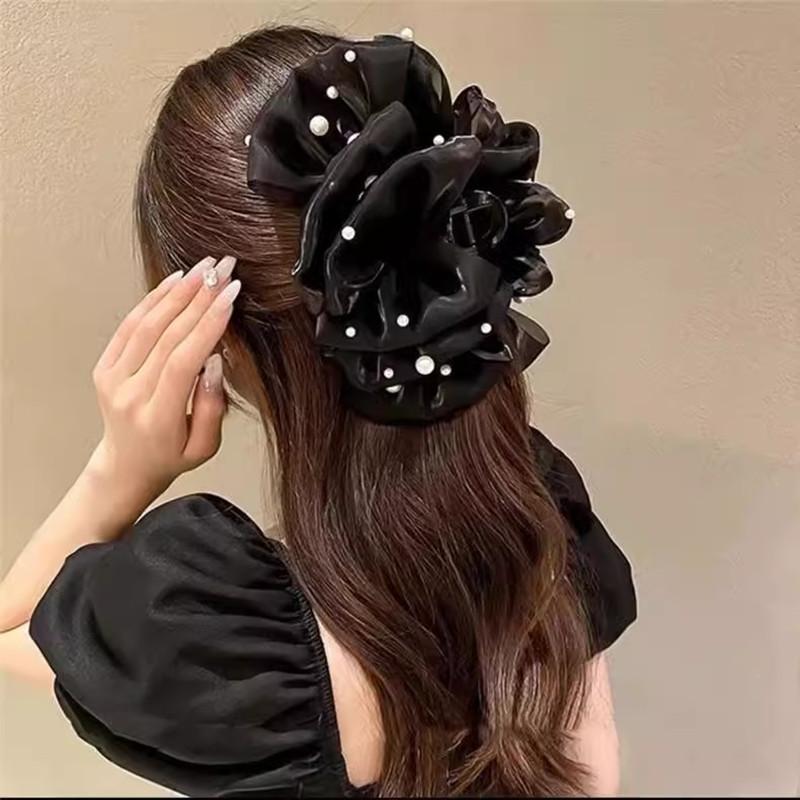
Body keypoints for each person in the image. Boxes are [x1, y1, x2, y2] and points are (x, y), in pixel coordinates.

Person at [0, 25, 636, 798]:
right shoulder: (537, 516)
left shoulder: (232, 643)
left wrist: (123, 466)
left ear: (217, 337)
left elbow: (14, 629)